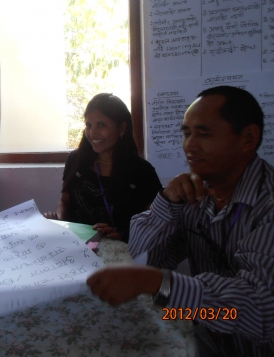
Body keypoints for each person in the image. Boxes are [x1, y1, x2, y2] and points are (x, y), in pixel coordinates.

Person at [87, 86, 274, 356]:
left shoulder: (267, 204)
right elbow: (144, 258)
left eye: (204, 134)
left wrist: (159, 283)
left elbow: (261, 309)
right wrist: (166, 202)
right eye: (186, 133)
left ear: (248, 138)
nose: (190, 145)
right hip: (202, 330)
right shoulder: (196, 196)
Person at [43, 93, 162, 242]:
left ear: (122, 128)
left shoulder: (142, 171)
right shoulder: (76, 160)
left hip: (121, 252)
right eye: (89, 125)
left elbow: (156, 223)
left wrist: (123, 235)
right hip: (77, 247)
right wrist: (58, 220)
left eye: (101, 124)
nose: (92, 133)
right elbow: (65, 202)